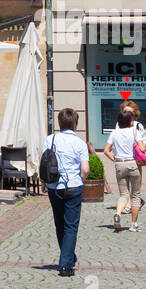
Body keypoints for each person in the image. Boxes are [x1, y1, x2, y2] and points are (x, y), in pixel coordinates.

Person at [43, 107, 90, 277]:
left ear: (59, 123)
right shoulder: (79, 143)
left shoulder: (50, 139)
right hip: (73, 186)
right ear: (75, 124)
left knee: (59, 223)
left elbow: (45, 162)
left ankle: (68, 255)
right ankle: (65, 265)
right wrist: (80, 180)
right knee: (71, 225)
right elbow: (85, 169)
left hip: (54, 186)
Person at [104, 107, 146, 232]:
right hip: (133, 164)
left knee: (123, 194)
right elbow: (142, 148)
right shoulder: (134, 132)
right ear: (130, 121)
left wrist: (115, 159)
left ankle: (118, 213)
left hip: (119, 164)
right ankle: (133, 224)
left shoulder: (114, 132)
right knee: (135, 195)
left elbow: (106, 150)